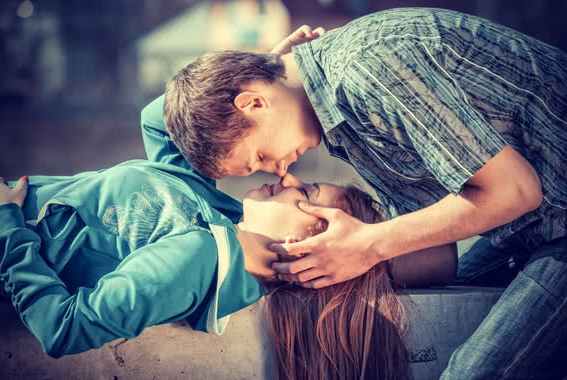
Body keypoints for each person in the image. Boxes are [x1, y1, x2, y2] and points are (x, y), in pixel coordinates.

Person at [153, 7, 567, 379]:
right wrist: (272, 68)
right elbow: (438, 257)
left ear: (254, 103)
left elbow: (516, 191)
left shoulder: (365, 71)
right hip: (528, 232)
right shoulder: (330, 111)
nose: (280, 170)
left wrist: (370, 244)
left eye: (261, 155)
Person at [0, 165, 455, 379]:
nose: (289, 176)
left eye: (306, 191)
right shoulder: (219, 211)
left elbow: (63, 328)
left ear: (311, 245)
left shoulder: (201, 256)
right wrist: (271, 69)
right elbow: (164, 120)